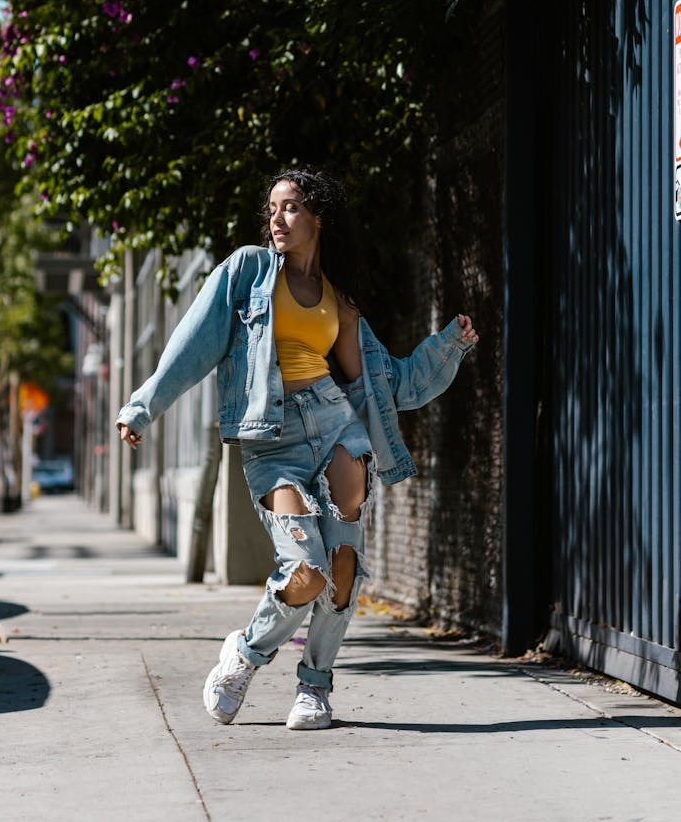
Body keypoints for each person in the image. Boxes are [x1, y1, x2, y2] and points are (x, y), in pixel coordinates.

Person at [116, 167, 478, 730]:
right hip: (272, 438)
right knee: (305, 569)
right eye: (272, 209)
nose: (276, 219)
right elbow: (194, 343)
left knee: (342, 566)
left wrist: (448, 345)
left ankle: (315, 688)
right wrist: (143, 405)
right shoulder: (247, 273)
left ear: (318, 217)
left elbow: (392, 384)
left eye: (289, 208)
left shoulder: (341, 301)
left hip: (335, 425)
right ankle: (244, 654)